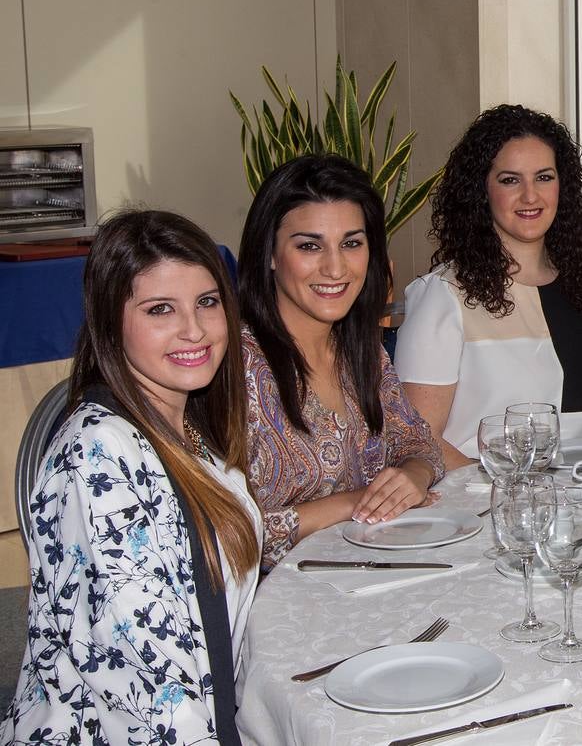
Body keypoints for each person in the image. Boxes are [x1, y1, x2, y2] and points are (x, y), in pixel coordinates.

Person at [3, 211, 260, 744]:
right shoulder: (97, 456)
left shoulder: (188, 430)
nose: (195, 329)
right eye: (160, 309)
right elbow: (147, 694)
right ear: (110, 322)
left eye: (207, 302)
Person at [239, 155, 445, 569]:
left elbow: (418, 441)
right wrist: (352, 503)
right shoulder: (232, 368)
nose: (335, 268)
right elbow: (230, 537)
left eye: (351, 243)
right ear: (271, 254)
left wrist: (414, 475)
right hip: (271, 608)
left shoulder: (362, 352)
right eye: (310, 246)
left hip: (366, 579)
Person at [396, 104, 582, 464]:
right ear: (481, 191)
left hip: (576, 501)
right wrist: (508, 490)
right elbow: (417, 439)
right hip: (479, 505)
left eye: (544, 177)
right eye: (510, 180)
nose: (530, 196)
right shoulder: (442, 295)